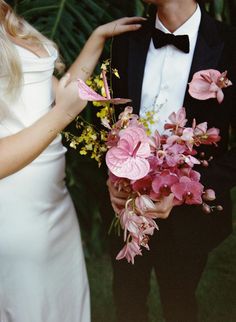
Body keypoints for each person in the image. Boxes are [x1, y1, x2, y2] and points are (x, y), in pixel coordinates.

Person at [0, 1, 145, 321]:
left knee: (62, 302)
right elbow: (61, 110)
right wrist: (63, 114)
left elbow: (56, 96)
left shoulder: (8, 17)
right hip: (13, 212)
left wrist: (96, 39)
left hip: (54, 201)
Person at [103, 0, 236, 321]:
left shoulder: (229, 46)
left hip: (190, 217)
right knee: (128, 302)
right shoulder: (126, 39)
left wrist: (189, 188)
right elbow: (105, 117)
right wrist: (110, 175)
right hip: (126, 208)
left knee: (180, 304)